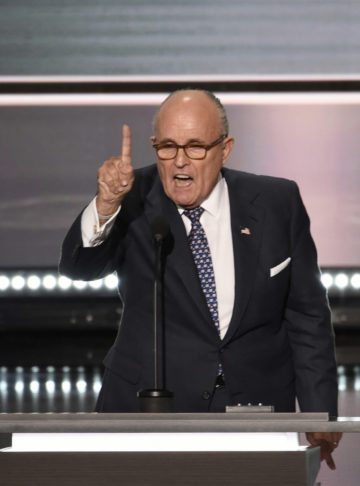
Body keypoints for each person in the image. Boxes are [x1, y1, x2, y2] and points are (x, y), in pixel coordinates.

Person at [60, 89, 342, 468]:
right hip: (148, 408)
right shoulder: (132, 196)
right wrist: (106, 204)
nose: (179, 162)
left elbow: (307, 316)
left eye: (195, 147)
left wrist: (319, 411)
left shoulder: (277, 201)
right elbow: (80, 268)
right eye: (167, 147)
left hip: (255, 412)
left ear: (224, 149)